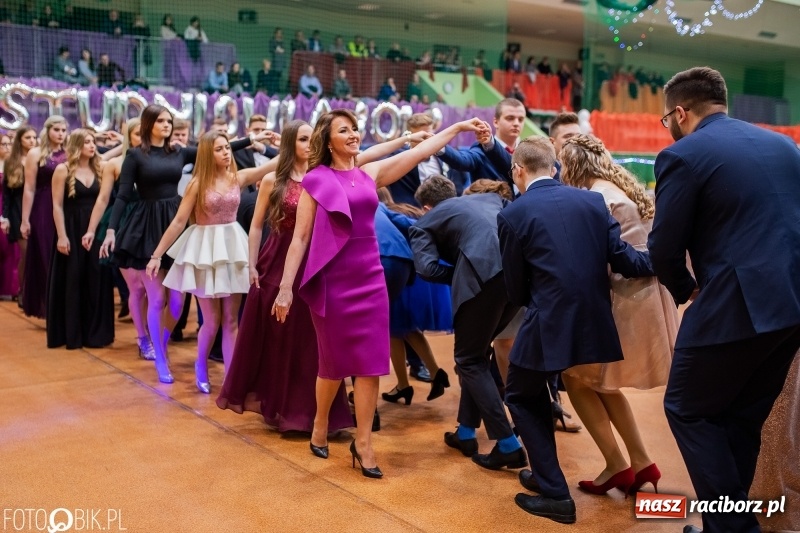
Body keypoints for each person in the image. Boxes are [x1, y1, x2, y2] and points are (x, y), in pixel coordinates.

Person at [272, 110, 487, 478]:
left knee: (372, 366)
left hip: (370, 279)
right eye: (345, 130)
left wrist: (458, 127)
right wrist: (285, 289)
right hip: (332, 281)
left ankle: (365, 442)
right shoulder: (315, 180)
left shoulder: (368, 173)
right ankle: (320, 423)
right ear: (329, 139)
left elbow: (419, 153)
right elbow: (301, 239)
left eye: (355, 128)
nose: (354, 134)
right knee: (333, 366)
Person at [648, 66, 800, 533]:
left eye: (665, 120)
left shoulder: (683, 154)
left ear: (679, 112)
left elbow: (663, 248)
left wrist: (685, 290)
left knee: (686, 408)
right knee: (741, 418)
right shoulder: (784, 145)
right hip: (792, 305)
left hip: (735, 302)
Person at [497, 136, 653, 524]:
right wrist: (666, 262)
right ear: (554, 167)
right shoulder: (591, 202)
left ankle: (555, 492)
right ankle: (549, 475)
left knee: (519, 393)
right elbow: (625, 260)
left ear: (518, 169)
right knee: (553, 388)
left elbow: (516, 290)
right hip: (595, 321)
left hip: (548, 320)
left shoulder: (513, 214)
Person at [100, 105, 271, 385]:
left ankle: (165, 343)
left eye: (169, 120)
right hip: (148, 225)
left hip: (181, 223)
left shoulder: (178, 152)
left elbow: (216, 147)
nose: (167, 125)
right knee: (158, 299)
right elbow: (121, 195)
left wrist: (252, 140)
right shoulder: (135, 155)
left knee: (179, 306)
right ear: (148, 124)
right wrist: (111, 229)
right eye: (161, 121)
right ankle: (159, 356)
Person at [559, 134, 678, 497]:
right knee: (602, 384)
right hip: (642, 297)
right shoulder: (619, 189)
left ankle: (617, 464)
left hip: (621, 298)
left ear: (574, 165)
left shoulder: (597, 197)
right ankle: (641, 462)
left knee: (575, 377)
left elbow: (602, 258)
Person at [409, 175, 525, 470]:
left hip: (483, 274)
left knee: (468, 359)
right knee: (477, 354)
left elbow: (427, 269)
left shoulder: (423, 222)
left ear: (426, 207)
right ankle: (466, 431)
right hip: (521, 274)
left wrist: (461, 275)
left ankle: (508, 443)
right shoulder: (489, 198)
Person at [145, 131, 270, 391]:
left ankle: (231, 376)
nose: (226, 152)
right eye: (220, 149)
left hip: (232, 247)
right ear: (207, 154)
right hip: (204, 250)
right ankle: (201, 365)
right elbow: (179, 221)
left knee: (232, 320)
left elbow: (277, 163)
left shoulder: (239, 177)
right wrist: (157, 255)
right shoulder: (196, 184)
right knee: (211, 321)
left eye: (227, 147)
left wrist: (275, 144)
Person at [83, 119, 153, 359]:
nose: (142, 137)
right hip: (123, 225)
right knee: (138, 288)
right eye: (137, 134)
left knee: (155, 291)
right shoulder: (114, 164)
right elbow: (102, 199)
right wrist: (92, 230)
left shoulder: (156, 161)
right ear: (128, 136)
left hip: (151, 224)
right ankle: (142, 337)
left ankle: (152, 333)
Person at [375, 189, 450, 405]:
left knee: (397, 329)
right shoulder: (402, 210)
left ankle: (412, 381)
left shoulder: (385, 213)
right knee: (402, 330)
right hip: (415, 276)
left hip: (400, 278)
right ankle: (413, 381)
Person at [47, 129, 114, 349]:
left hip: (95, 227)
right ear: (77, 145)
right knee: (73, 279)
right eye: (87, 142)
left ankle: (95, 334)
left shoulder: (101, 168)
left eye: (93, 141)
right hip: (71, 227)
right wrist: (62, 236)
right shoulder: (62, 169)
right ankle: (72, 334)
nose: (92, 145)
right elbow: (56, 205)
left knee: (96, 277)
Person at [20, 115, 67, 318]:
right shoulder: (35, 153)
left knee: (64, 255)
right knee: (46, 253)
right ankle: (50, 306)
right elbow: (29, 188)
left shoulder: (69, 152)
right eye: (57, 129)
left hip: (66, 205)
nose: (61, 134)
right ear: (47, 130)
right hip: (43, 206)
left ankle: (63, 304)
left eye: (64, 130)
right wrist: (24, 219)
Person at [1, 125, 37, 304]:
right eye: (28, 138)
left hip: (38, 210)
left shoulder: (40, 159)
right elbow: (7, 194)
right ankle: (24, 291)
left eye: (34, 137)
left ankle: (33, 292)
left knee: (37, 252)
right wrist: (5, 217)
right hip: (17, 212)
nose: (32, 141)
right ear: (20, 141)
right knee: (26, 252)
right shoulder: (11, 162)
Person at [0, 132, 19, 299]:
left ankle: (10, 288)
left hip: (6, 210)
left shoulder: (11, 165)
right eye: (3, 144)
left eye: (9, 144)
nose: (7, 147)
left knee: (10, 249)